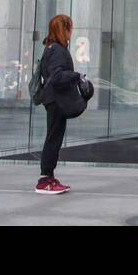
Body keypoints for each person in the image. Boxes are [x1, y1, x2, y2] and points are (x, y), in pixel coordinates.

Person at [36, 14, 83, 194]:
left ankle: (48, 176)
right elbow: (56, 76)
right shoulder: (56, 50)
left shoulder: (52, 48)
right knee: (53, 138)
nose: (71, 32)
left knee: (54, 137)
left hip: (54, 99)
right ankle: (44, 179)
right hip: (56, 100)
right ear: (64, 29)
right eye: (70, 28)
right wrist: (75, 75)